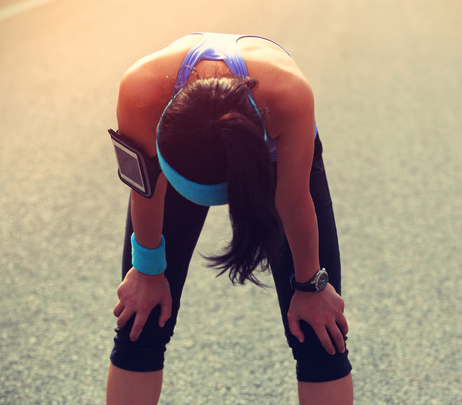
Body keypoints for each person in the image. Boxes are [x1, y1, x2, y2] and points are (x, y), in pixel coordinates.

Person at [105, 32, 353, 405]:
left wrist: (312, 287)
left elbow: (294, 199)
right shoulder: (141, 89)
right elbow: (145, 188)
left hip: (269, 151)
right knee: (140, 317)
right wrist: (147, 270)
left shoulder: (288, 97)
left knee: (321, 331)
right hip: (183, 135)